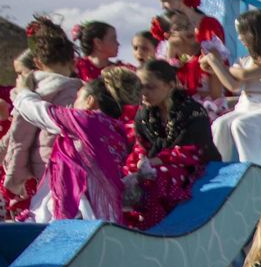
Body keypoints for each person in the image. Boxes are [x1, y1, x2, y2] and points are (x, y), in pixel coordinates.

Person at [8, 69, 128, 223]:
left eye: (78, 97)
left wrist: (23, 91)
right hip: (104, 212)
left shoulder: (86, 121)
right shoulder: (117, 129)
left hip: (82, 212)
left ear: (90, 101)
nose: (74, 103)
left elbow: (41, 112)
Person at [126, 59, 220, 228]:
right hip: (155, 164)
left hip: (192, 166)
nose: (144, 93)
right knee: (126, 176)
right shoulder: (144, 115)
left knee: (157, 178)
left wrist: (152, 162)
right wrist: (137, 164)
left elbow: (193, 151)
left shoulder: (192, 111)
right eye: (141, 87)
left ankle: (160, 229)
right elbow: (141, 147)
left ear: (170, 85)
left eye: (151, 87)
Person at [2, 17, 81, 214]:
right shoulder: (74, 91)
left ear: (37, 62)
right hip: (60, 164)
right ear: (73, 62)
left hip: (35, 165)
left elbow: (17, 135)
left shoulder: (26, 94)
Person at [203, 9, 261, 164]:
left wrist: (218, 64)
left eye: (243, 32)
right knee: (219, 124)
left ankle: (254, 169)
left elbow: (244, 75)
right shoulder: (242, 61)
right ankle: (219, 168)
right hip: (244, 107)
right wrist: (216, 67)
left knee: (241, 125)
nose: (240, 37)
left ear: (257, 32)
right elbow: (233, 85)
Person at [152, 0, 226, 48]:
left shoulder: (209, 24)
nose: (162, 7)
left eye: (165, 1)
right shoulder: (171, 27)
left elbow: (220, 54)